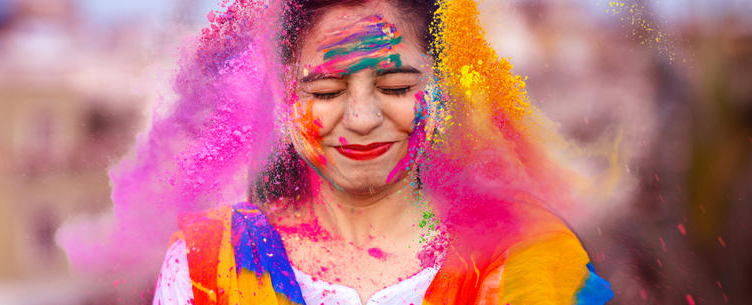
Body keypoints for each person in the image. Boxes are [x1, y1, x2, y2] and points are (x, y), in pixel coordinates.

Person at [152, 0, 614, 304]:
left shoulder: (527, 252)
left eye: (395, 87)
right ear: (284, 96)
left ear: (441, 88)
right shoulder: (206, 264)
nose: (362, 118)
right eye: (327, 92)